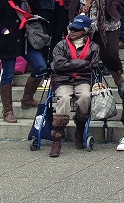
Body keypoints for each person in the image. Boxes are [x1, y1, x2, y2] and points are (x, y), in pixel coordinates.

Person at [0, 0, 49, 123]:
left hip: (27, 40)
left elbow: (38, 11)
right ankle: (7, 110)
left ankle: (27, 98)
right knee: (7, 75)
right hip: (9, 40)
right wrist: (3, 30)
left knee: (41, 67)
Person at [49, 14, 100, 157]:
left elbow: (93, 66)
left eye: (76, 29)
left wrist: (69, 65)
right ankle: (57, 137)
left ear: (85, 31)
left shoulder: (94, 47)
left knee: (85, 97)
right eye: (71, 28)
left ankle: (80, 127)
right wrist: (83, 63)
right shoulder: (61, 45)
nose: (72, 31)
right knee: (64, 98)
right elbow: (58, 65)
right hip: (62, 79)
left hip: (82, 80)